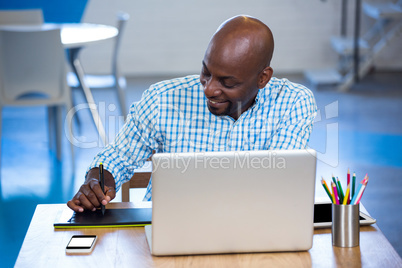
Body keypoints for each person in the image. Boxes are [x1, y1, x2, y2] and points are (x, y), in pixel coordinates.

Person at [67, 15, 317, 212]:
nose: (209, 89)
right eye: (206, 72)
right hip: (169, 233)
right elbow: (116, 157)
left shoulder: (293, 103)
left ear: (262, 78)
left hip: (255, 230)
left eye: (227, 83)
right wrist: (96, 182)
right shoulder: (162, 98)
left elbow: (278, 182)